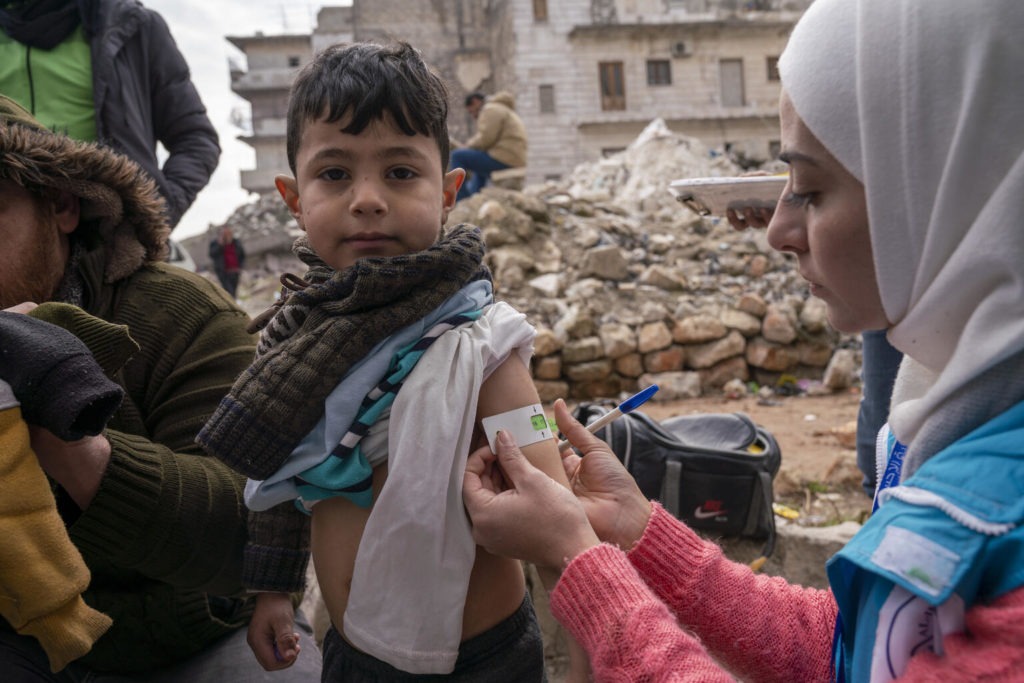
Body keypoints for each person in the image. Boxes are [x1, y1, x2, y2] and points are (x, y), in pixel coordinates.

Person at [463, 0, 1024, 680]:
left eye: (810, 189)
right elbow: (852, 646)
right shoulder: (947, 415)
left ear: (943, 188)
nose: (776, 228)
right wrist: (640, 533)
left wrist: (584, 563)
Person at [197, 41, 582, 680]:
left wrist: (588, 661)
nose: (368, 199)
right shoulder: (296, 344)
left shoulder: (480, 344)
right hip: (353, 655)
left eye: (400, 173)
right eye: (335, 174)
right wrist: (273, 592)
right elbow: (281, 476)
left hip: (481, 660)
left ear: (449, 191)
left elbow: (557, 522)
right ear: (294, 198)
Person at [0, 95, 322, 680]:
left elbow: (247, 535)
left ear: (62, 206)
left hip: (200, 637)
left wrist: (72, 438)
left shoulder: (180, 315)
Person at [0, 0, 220, 228]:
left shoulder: (135, 26)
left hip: (112, 241)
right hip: (10, 234)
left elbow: (196, 139)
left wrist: (158, 212)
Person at [449, 91, 527, 201]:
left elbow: (486, 139)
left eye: (472, 111)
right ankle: (472, 198)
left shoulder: (490, 109)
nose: (473, 116)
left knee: (457, 156)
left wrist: (467, 146)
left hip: (505, 158)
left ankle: (459, 198)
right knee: (478, 165)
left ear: (476, 102)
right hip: (512, 157)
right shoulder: (502, 109)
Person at [208, 226, 246, 298]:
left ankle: (234, 305)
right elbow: (212, 254)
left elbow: (242, 255)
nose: (227, 235)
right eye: (224, 234)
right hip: (224, 272)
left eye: (228, 233)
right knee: (229, 292)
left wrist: (240, 266)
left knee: (234, 291)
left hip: (235, 271)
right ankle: (233, 306)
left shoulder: (236, 242)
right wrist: (220, 244)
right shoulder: (215, 243)